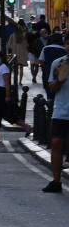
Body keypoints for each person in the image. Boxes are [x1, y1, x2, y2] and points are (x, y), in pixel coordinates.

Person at [0, 49, 32, 143]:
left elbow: (6, 83)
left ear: (2, 58)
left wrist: (7, 96)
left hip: (1, 93)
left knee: (7, 114)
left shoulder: (4, 68)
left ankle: (26, 126)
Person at [42, 38, 69, 193]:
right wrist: (60, 78)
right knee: (56, 143)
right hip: (61, 110)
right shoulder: (57, 63)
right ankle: (56, 181)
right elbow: (51, 88)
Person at [8, 23, 29, 87]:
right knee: (21, 68)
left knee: (15, 68)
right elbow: (26, 45)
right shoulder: (23, 36)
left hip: (14, 54)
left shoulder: (12, 35)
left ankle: (16, 81)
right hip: (22, 54)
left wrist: (12, 48)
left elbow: (9, 45)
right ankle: (20, 81)